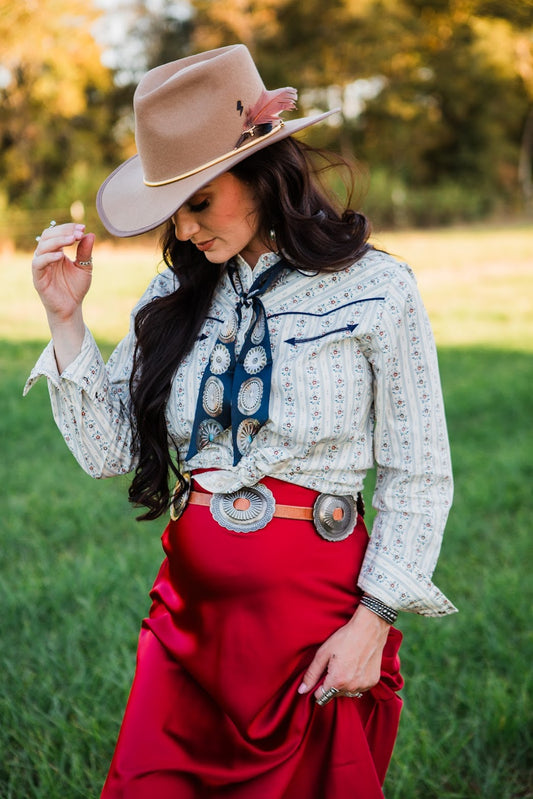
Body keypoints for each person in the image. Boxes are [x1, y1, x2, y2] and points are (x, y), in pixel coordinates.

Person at [27, 44, 456, 799]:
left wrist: (373, 623)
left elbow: (416, 471)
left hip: (315, 626)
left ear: (262, 173)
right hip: (186, 622)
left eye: (199, 201)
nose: (185, 228)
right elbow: (108, 452)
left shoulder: (377, 289)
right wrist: (66, 319)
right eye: (173, 210)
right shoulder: (174, 293)